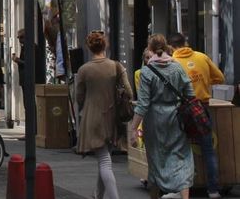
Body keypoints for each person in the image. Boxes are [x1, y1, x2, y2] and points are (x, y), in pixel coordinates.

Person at [128, 34, 194, 199]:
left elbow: (143, 104)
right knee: (181, 157)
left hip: (154, 120)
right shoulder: (178, 67)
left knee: (156, 158)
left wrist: (133, 128)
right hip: (176, 118)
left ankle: (155, 196)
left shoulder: (146, 71)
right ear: (166, 47)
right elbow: (190, 93)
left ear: (150, 50)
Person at [75, 30, 131, 199]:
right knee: (105, 157)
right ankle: (98, 194)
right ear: (104, 45)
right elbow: (128, 91)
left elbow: (79, 97)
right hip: (113, 117)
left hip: (92, 117)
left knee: (104, 160)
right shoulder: (116, 66)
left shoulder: (84, 70)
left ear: (89, 48)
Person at [169, 32, 224, 199]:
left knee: (179, 149)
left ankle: (181, 190)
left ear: (171, 47)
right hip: (201, 108)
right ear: (186, 43)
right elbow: (220, 78)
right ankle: (213, 190)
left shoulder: (172, 63)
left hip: (182, 110)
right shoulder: (202, 57)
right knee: (208, 149)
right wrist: (204, 82)